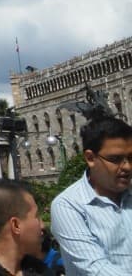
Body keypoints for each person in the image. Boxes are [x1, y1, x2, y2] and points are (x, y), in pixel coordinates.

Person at [51, 115, 132, 275]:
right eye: (115, 159)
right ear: (90, 158)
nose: (127, 167)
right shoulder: (69, 205)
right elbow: (95, 268)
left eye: (131, 158)